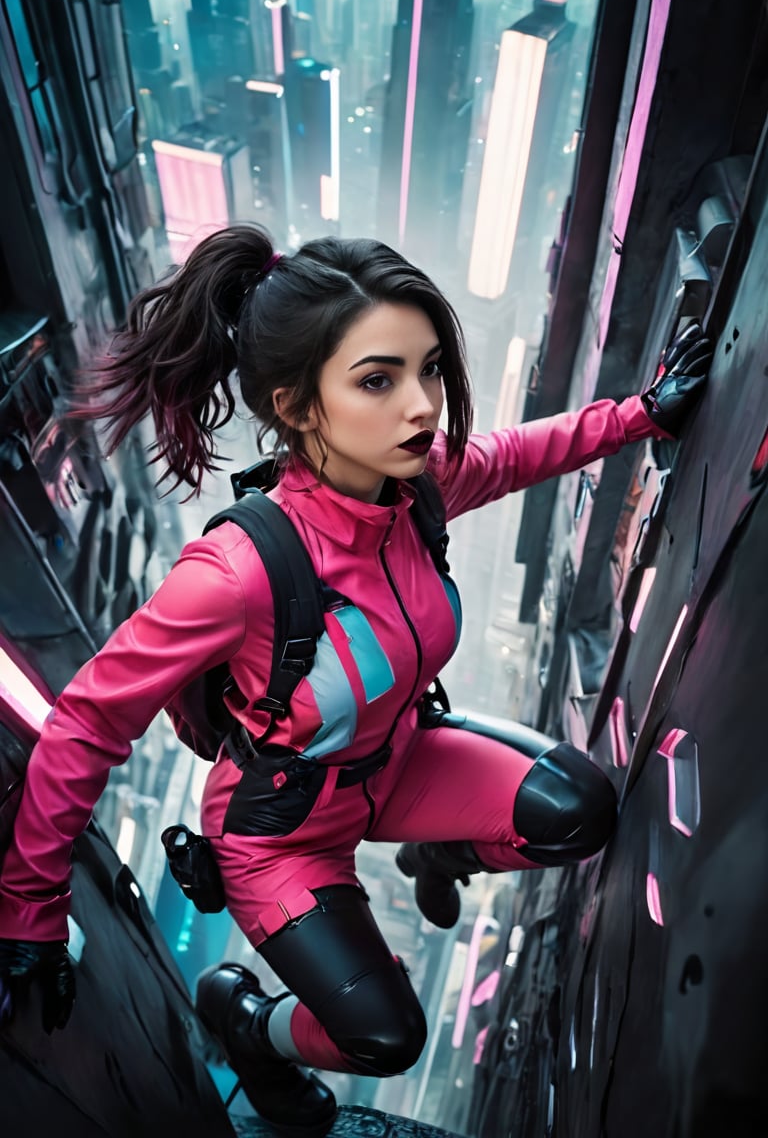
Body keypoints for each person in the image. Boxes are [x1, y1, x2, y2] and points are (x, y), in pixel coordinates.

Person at [0, 225, 712, 1137]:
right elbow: (88, 721)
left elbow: (516, 453)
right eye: (378, 380)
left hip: (400, 761)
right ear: (298, 405)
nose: (420, 406)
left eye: (425, 369)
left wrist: (646, 411)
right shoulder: (236, 573)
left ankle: (437, 850)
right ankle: (250, 1025)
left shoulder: (410, 487)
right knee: (383, 1036)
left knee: (582, 809)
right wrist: (31, 910)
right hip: (281, 833)